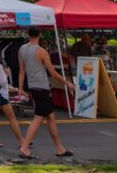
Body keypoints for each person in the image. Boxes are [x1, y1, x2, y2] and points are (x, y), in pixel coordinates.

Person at [18, 26, 75, 160]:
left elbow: (21, 70)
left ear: (27, 34)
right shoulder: (42, 51)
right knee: (38, 118)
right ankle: (25, 147)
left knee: (50, 117)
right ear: (40, 34)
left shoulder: (22, 49)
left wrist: (20, 88)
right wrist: (67, 83)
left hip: (33, 86)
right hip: (41, 87)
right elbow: (53, 72)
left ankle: (60, 148)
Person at [0, 44, 25, 149]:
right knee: (12, 119)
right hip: (1, 95)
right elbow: (3, 81)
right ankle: (21, 141)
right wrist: (7, 74)